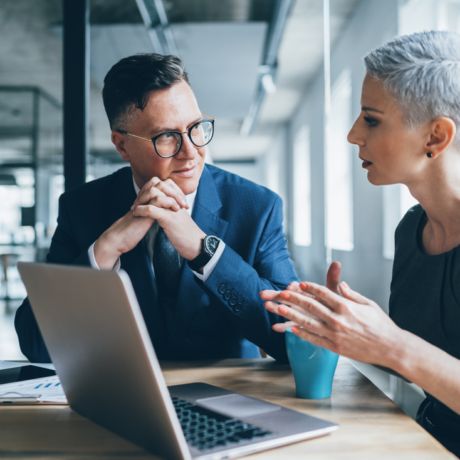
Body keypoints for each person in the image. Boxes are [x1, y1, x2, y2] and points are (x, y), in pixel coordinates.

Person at [15, 53, 300, 363]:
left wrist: (205, 252)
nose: (191, 152)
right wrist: (105, 250)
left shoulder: (258, 207)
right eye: (167, 136)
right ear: (122, 145)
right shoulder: (81, 208)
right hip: (125, 397)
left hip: (229, 395)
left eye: (196, 127)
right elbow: (35, 343)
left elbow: (291, 338)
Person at [261, 31, 460, 457]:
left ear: (435, 137)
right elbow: (422, 370)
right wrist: (339, 326)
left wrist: (391, 344)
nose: (353, 135)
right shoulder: (411, 231)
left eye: (371, 119)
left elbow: (409, 353)